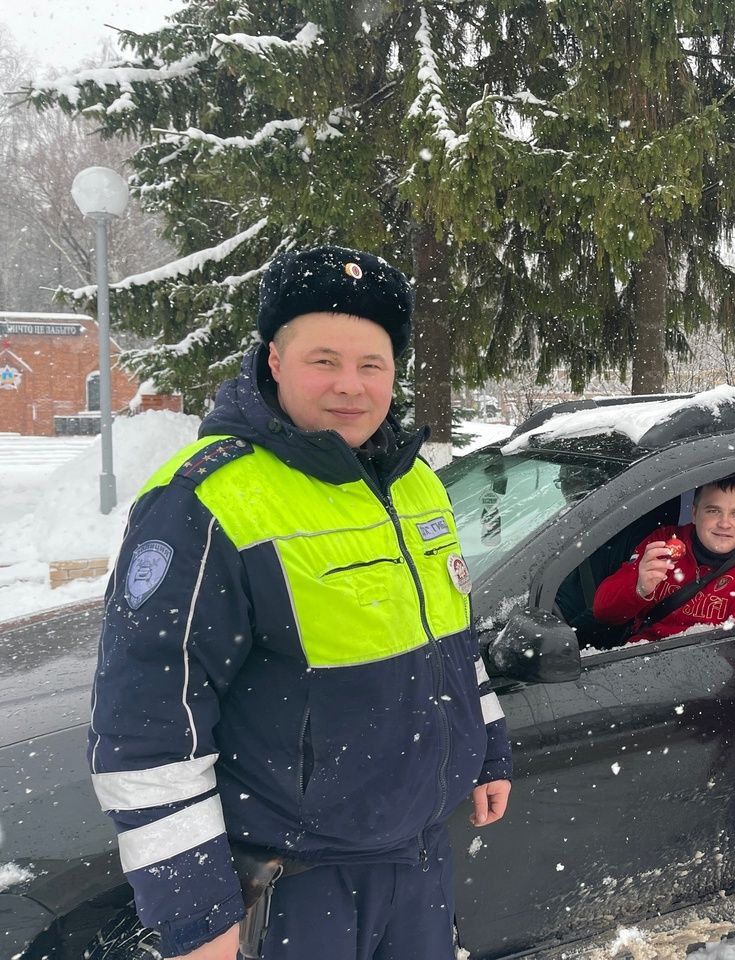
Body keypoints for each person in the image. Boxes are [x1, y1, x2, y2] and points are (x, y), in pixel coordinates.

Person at [88, 246, 513, 960]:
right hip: (296, 886)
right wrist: (197, 915)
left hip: (418, 860)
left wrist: (489, 749)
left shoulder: (416, 485)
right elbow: (149, 723)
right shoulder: (206, 503)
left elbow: (452, 638)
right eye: (324, 360)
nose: (350, 386)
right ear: (276, 361)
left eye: (371, 364)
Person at [593, 476, 735, 642]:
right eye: (713, 511)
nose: (724, 523)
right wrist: (638, 589)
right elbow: (603, 612)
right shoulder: (663, 543)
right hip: (635, 656)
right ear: (694, 513)